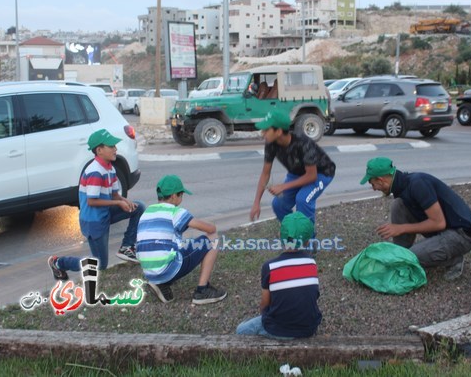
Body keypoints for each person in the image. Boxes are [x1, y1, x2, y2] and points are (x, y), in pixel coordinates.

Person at [48, 129, 145, 280]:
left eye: (115, 146)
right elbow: (91, 201)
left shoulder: (110, 168)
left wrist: (125, 201)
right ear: (99, 150)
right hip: (94, 221)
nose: (115, 149)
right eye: (111, 146)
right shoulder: (95, 171)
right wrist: (118, 203)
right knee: (99, 265)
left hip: (105, 213)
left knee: (138, 208)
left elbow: (114, 193)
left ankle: (127, 247)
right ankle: (59, 262)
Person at [361, 157, 471, 281]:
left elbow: (439, 223)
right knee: (399, 204)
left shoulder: (417, 184)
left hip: (462, 235)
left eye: (372, 184)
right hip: (445, 228)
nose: (374, 188)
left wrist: (401, 228)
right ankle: (400, 256)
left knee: (412, 257)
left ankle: (454, 258)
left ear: (381, 179)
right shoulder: (404, 186)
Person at [136, 174, 227, 305]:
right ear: (173, 196)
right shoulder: (175, 212)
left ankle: (162, 284)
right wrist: (212, 225)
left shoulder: (147, 212)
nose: (181, 198)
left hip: (149, 273)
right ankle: (202, 290)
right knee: (213, 238)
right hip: (166, 268)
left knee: (176, 246)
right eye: (181, 195)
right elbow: (210, 229)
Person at [236, 211, 322, 339]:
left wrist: (265, 316)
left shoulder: (269, 267)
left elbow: (265, 303)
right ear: (308, 241)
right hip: (308, 328)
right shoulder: (311, 263)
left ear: (280, 236)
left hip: (279, 329)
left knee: (241, 330)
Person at [250, 109, 335, 230]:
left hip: (322, 173)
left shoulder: (303, 143)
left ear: (278, 131)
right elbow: (265, 173)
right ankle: (293, 233)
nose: (262, 133)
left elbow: (311, 176)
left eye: (266, 130)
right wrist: (256, 203)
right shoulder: (271, 143)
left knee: (303, 200)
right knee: (278, 204)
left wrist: (283, 187)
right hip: (296, 174)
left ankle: (309, 240)